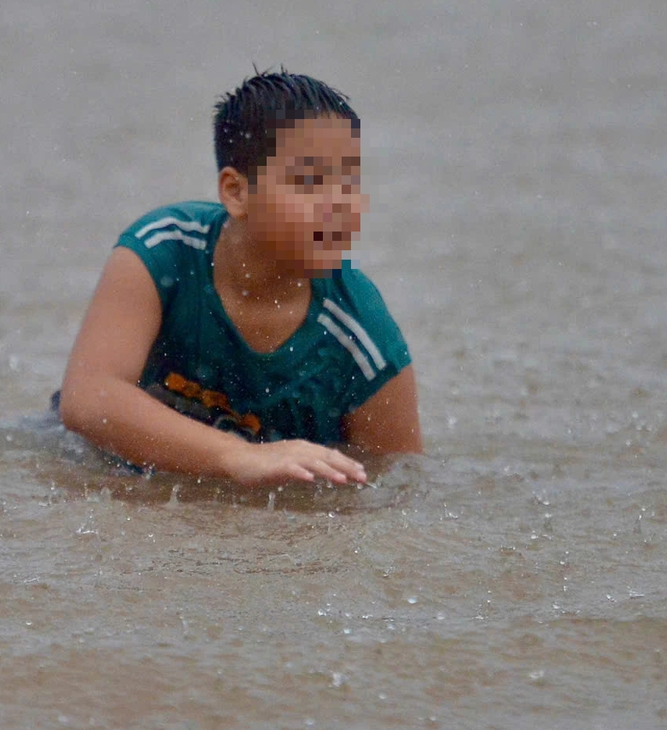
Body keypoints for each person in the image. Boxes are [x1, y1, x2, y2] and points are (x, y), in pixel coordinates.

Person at [58, 70, 422, 486]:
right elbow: (87, 400)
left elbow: (399, 485)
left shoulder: (363, 337)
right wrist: (240, 457)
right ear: (235, 192)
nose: (339, 204)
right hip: (104, 468)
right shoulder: (164, 251)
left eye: (350, 181)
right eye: (311, 181)